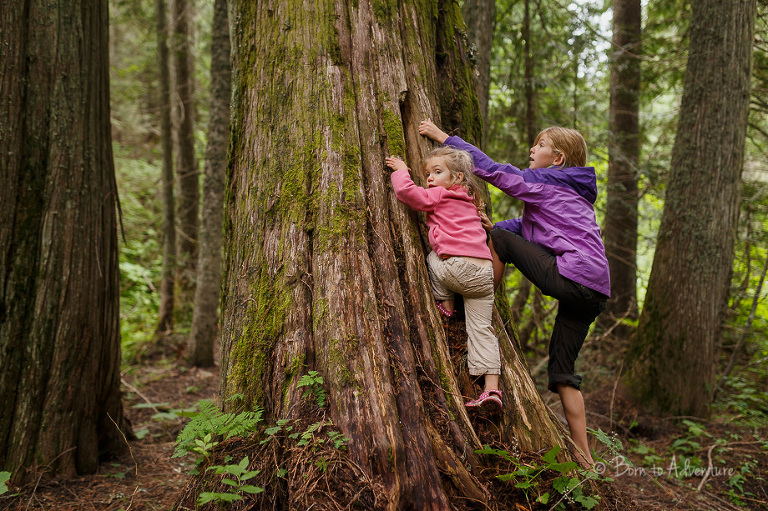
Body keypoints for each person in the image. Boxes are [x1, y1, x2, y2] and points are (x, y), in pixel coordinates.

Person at [418, 119, 610, 467]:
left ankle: (477, 296)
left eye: (541, 145)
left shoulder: (548, 181)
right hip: (594, 290)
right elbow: (533, 229)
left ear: (558, 158)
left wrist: (446, 139)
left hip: (573, 276)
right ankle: (585, 458)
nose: (532, 149)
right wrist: (493, 227)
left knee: (501, 240)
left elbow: (496, 172)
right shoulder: (572, 193)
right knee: (562, 373)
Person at [385, 147, 502, 411]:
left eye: (437, 172)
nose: (429, 178)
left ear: (457, 177)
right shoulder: (471, 202)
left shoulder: (440, 194)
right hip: (484, 273)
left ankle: (446, 305)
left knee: (432, 257)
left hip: (457, 268)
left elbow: (408, 194)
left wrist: (402, 171)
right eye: (428, 173)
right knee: (482, 330)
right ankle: (492, 389)